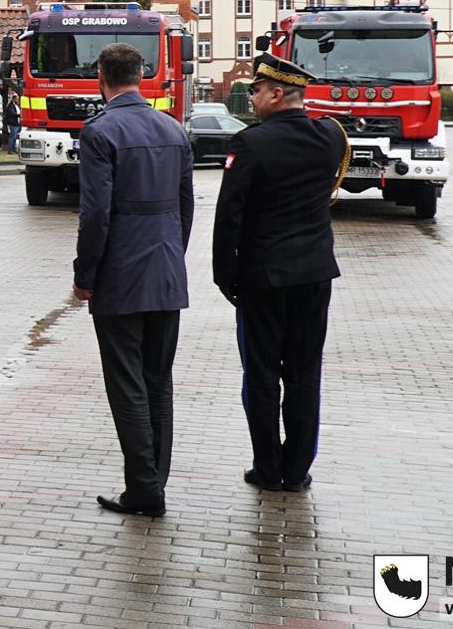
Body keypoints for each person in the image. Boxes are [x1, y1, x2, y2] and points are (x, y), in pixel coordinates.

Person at [213, 53, 348, 495]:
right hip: (314, 275)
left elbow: (229, 216)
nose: (250, 98)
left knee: (263, 375)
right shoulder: (330, 135)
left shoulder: (251, 144)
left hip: (263, 278)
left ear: (276, 93)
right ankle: (298, 469)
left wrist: (223, 275)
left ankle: (267, 467)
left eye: (255, 90)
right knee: (306, 373)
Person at [71, 42, 194, 519]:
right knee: (157, 381)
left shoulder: (100, 131)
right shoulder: (172, 128)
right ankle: (152, 483)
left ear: (101, 75)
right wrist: (171, 258)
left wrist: (86, 275)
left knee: (127, 385)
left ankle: (143, 489)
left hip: (121, 277)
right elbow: (185, 207)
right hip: (165, 273)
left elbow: (95, 214)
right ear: (140, 75)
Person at [2, 89, 22, 154]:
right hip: (13, 123)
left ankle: (13, 148)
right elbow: (12, 113)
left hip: (16, 123)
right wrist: (19, 115)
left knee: (15, 136)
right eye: (16, 99)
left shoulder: (16, 106)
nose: (18, 100)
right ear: (13, 99)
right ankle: (10, 150)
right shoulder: (11, 106)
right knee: (12, 136)